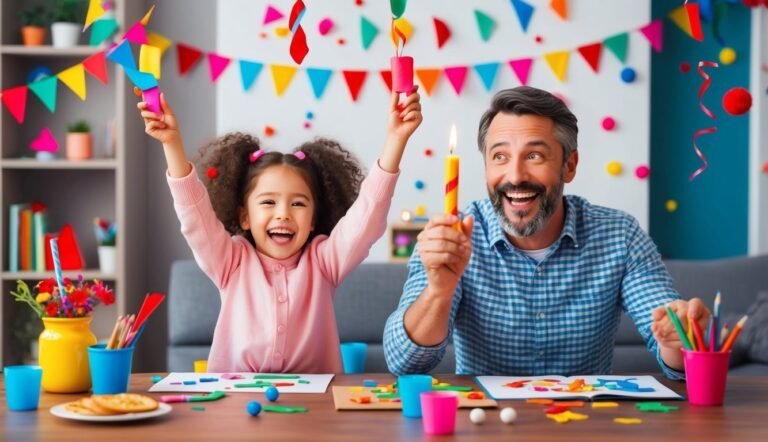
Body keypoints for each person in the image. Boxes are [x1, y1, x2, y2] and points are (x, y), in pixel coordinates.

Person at [383, 86, 709, 377]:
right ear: (485, 168)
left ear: (569, 165)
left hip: (585, 424)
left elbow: (678, 356)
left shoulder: (619, 236)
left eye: (534, 155)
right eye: (500, 156)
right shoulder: (449, 239)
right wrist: (439, 290)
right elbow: (404, 362)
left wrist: (681, 335)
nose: (515, 175)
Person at [138, 88, 422, 373]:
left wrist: (396, 140)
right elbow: (194, 216)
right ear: (245, 216)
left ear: (313, 220)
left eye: (298, 203)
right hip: (234, 401)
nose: (283, 213)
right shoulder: (229, 261)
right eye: (268, 202)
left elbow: (367, 215)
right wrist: (172, 143)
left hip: (315, 402)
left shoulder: (324, 262)